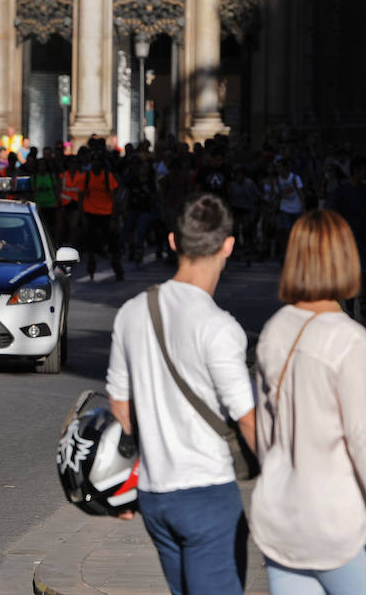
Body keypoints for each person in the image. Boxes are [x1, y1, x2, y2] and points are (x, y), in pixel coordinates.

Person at [107, 193, 256, 595]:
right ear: (228, 245)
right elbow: (246, 416)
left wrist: (122, 488)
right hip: (207, 492)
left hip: (155, 495)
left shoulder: (132, 312)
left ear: (173, 241)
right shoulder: (219, 326)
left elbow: (119, 408)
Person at [252, 209, 366, 594]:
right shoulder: (349, 338)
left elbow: (266, 437)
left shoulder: (274, 329)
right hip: (338, 525)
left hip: (281, 521)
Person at [329, 156, 366, 319]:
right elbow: (333, 215)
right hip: (347, 239)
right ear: (356, 170)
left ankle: (363, 296)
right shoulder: (341, 190)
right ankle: (349, 309)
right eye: (364, 168)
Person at [80, 153, 123, 280]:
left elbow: (114, 197)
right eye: (94, 162)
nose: (96, 164)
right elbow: (81, 196)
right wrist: (82, 215)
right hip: (91, 213)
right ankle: (91, 268)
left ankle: (117, 268)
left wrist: (114, 216)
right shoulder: (86, 177)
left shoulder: (108, 176)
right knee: (91, 243)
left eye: (98, 161)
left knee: (113, 242)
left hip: (106, 213)